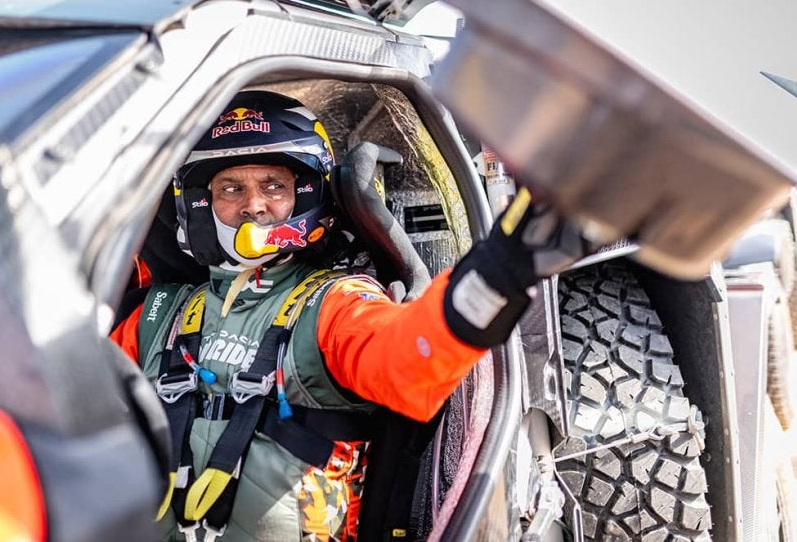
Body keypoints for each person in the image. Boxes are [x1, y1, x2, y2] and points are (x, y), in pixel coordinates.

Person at [110, 90, 586, 541]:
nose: (253, 205)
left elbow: (409, 360)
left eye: (274, 186)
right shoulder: (160, 313)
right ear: (200, 205)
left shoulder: (336, 302)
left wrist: (499, 271)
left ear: (307, 194)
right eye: (230, 188)